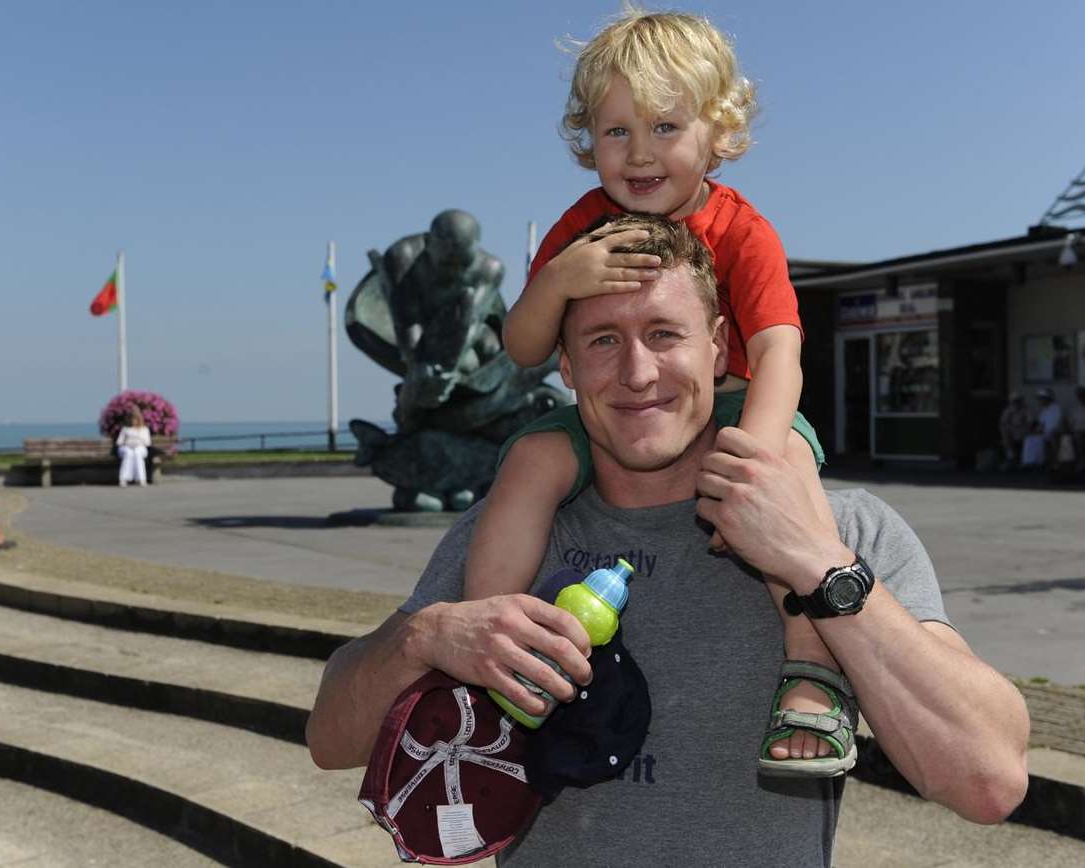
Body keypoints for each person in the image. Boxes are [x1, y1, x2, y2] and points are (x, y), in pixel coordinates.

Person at [307, 216, 1028, 867]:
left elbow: (986, 780)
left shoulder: (848, 530)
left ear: (716, 349)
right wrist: (424, 638)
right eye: (601, 341)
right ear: (564, 366)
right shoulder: (508, 532)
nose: (637, 373)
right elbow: (330, 740)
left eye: (663, 333)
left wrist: (816, 562)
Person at [467, 8, 841, 772]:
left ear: (717, 132)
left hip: (732, 401)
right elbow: (524, 347)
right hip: (613, 412)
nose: (638, 154)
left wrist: (758, 454)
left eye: (664, 127)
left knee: (790, 486)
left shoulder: (742, 229)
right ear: (587, 139)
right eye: (615, 132)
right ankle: (482, 644)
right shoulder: (582, 226)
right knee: (529, 461)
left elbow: (777, 348)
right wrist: (557, 281)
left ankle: (813, 674)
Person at [1021, 387, 1063, 469]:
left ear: (1048, 399)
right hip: (1045, 433)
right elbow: (1041, 425)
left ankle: (1051, 462)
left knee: (1048, 437)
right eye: (1039, 399)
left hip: (1054, 433)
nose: (1040, 401)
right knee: (1029, 437)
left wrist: (1042, 431)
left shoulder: (1056, 409)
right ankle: (1031, 462)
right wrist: (1035, 431)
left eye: (1041, 399)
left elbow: (1055, 425)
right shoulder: (1044, 410)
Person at [115, 407, 151, 487]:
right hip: (126, 448)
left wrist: (138, 442)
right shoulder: (125, 429)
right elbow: (119, 442)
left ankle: (142, 479)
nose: (133, 421)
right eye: (132, 419)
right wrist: (128, 443)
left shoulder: (144, 429)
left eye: (135, 419)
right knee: (129, 453)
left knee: (137, 453)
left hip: (140, 448)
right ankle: (123, 479)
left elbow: (148, 443)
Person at [998, 393, 1032, 470]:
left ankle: (1011, 458)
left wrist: (1019, 426)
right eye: (1014, 401)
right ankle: (1011, 457)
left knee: (1008, 435)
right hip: (1012, 432)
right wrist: (1011, 413)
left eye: (1017, 401)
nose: (1016, 403)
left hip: (1022, 431)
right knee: (1005, 431)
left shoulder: (1026, 410)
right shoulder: (1009, 410)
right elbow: (1003, 422)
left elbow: (1030, 422)